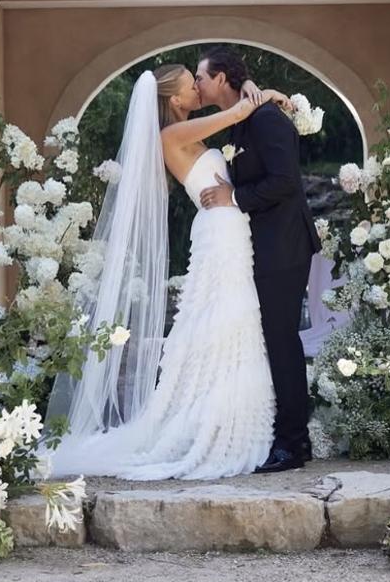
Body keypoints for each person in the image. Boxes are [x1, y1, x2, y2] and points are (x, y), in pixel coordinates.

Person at [47, 62, 292, 480]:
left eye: (198, 81)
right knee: (224, 316)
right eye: (189, 85)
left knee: (227, 318)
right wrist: (261, 92)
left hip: (228, 226)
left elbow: (236, 113)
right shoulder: (171, 135)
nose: (197, 89)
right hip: (220, 231)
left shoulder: (188, 129)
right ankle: (213, 419)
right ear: (174, 99)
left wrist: (254, 86)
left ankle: (226, 413)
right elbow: (237, 113)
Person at [197, 46, 320, 473]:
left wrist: (235, 197)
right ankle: (288, 437)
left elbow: (285, 182)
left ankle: (293, 444)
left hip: (284, 246)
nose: (197, 84)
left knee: (282, 340)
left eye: (202, 77)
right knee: (272, 339)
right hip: (262, 246)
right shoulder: (242, 120)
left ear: (223, 79)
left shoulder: (266, 119)